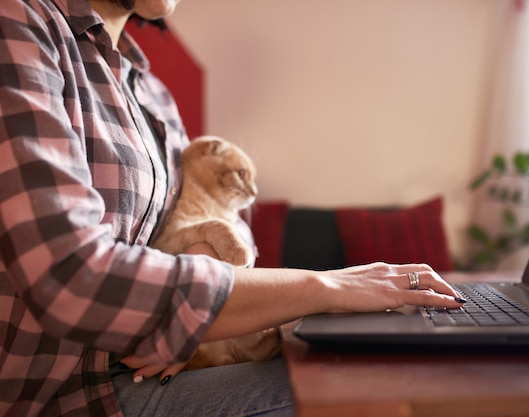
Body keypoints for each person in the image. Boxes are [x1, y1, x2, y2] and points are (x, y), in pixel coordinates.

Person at [0, 0, 465, 416]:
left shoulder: (152, 95)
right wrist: (325, 284)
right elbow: (68, 274)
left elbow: (211, 228)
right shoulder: (20, 22)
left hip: (150, 367)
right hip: (65, 396)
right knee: (376, 391)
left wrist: (184, 316)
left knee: (383, 363)